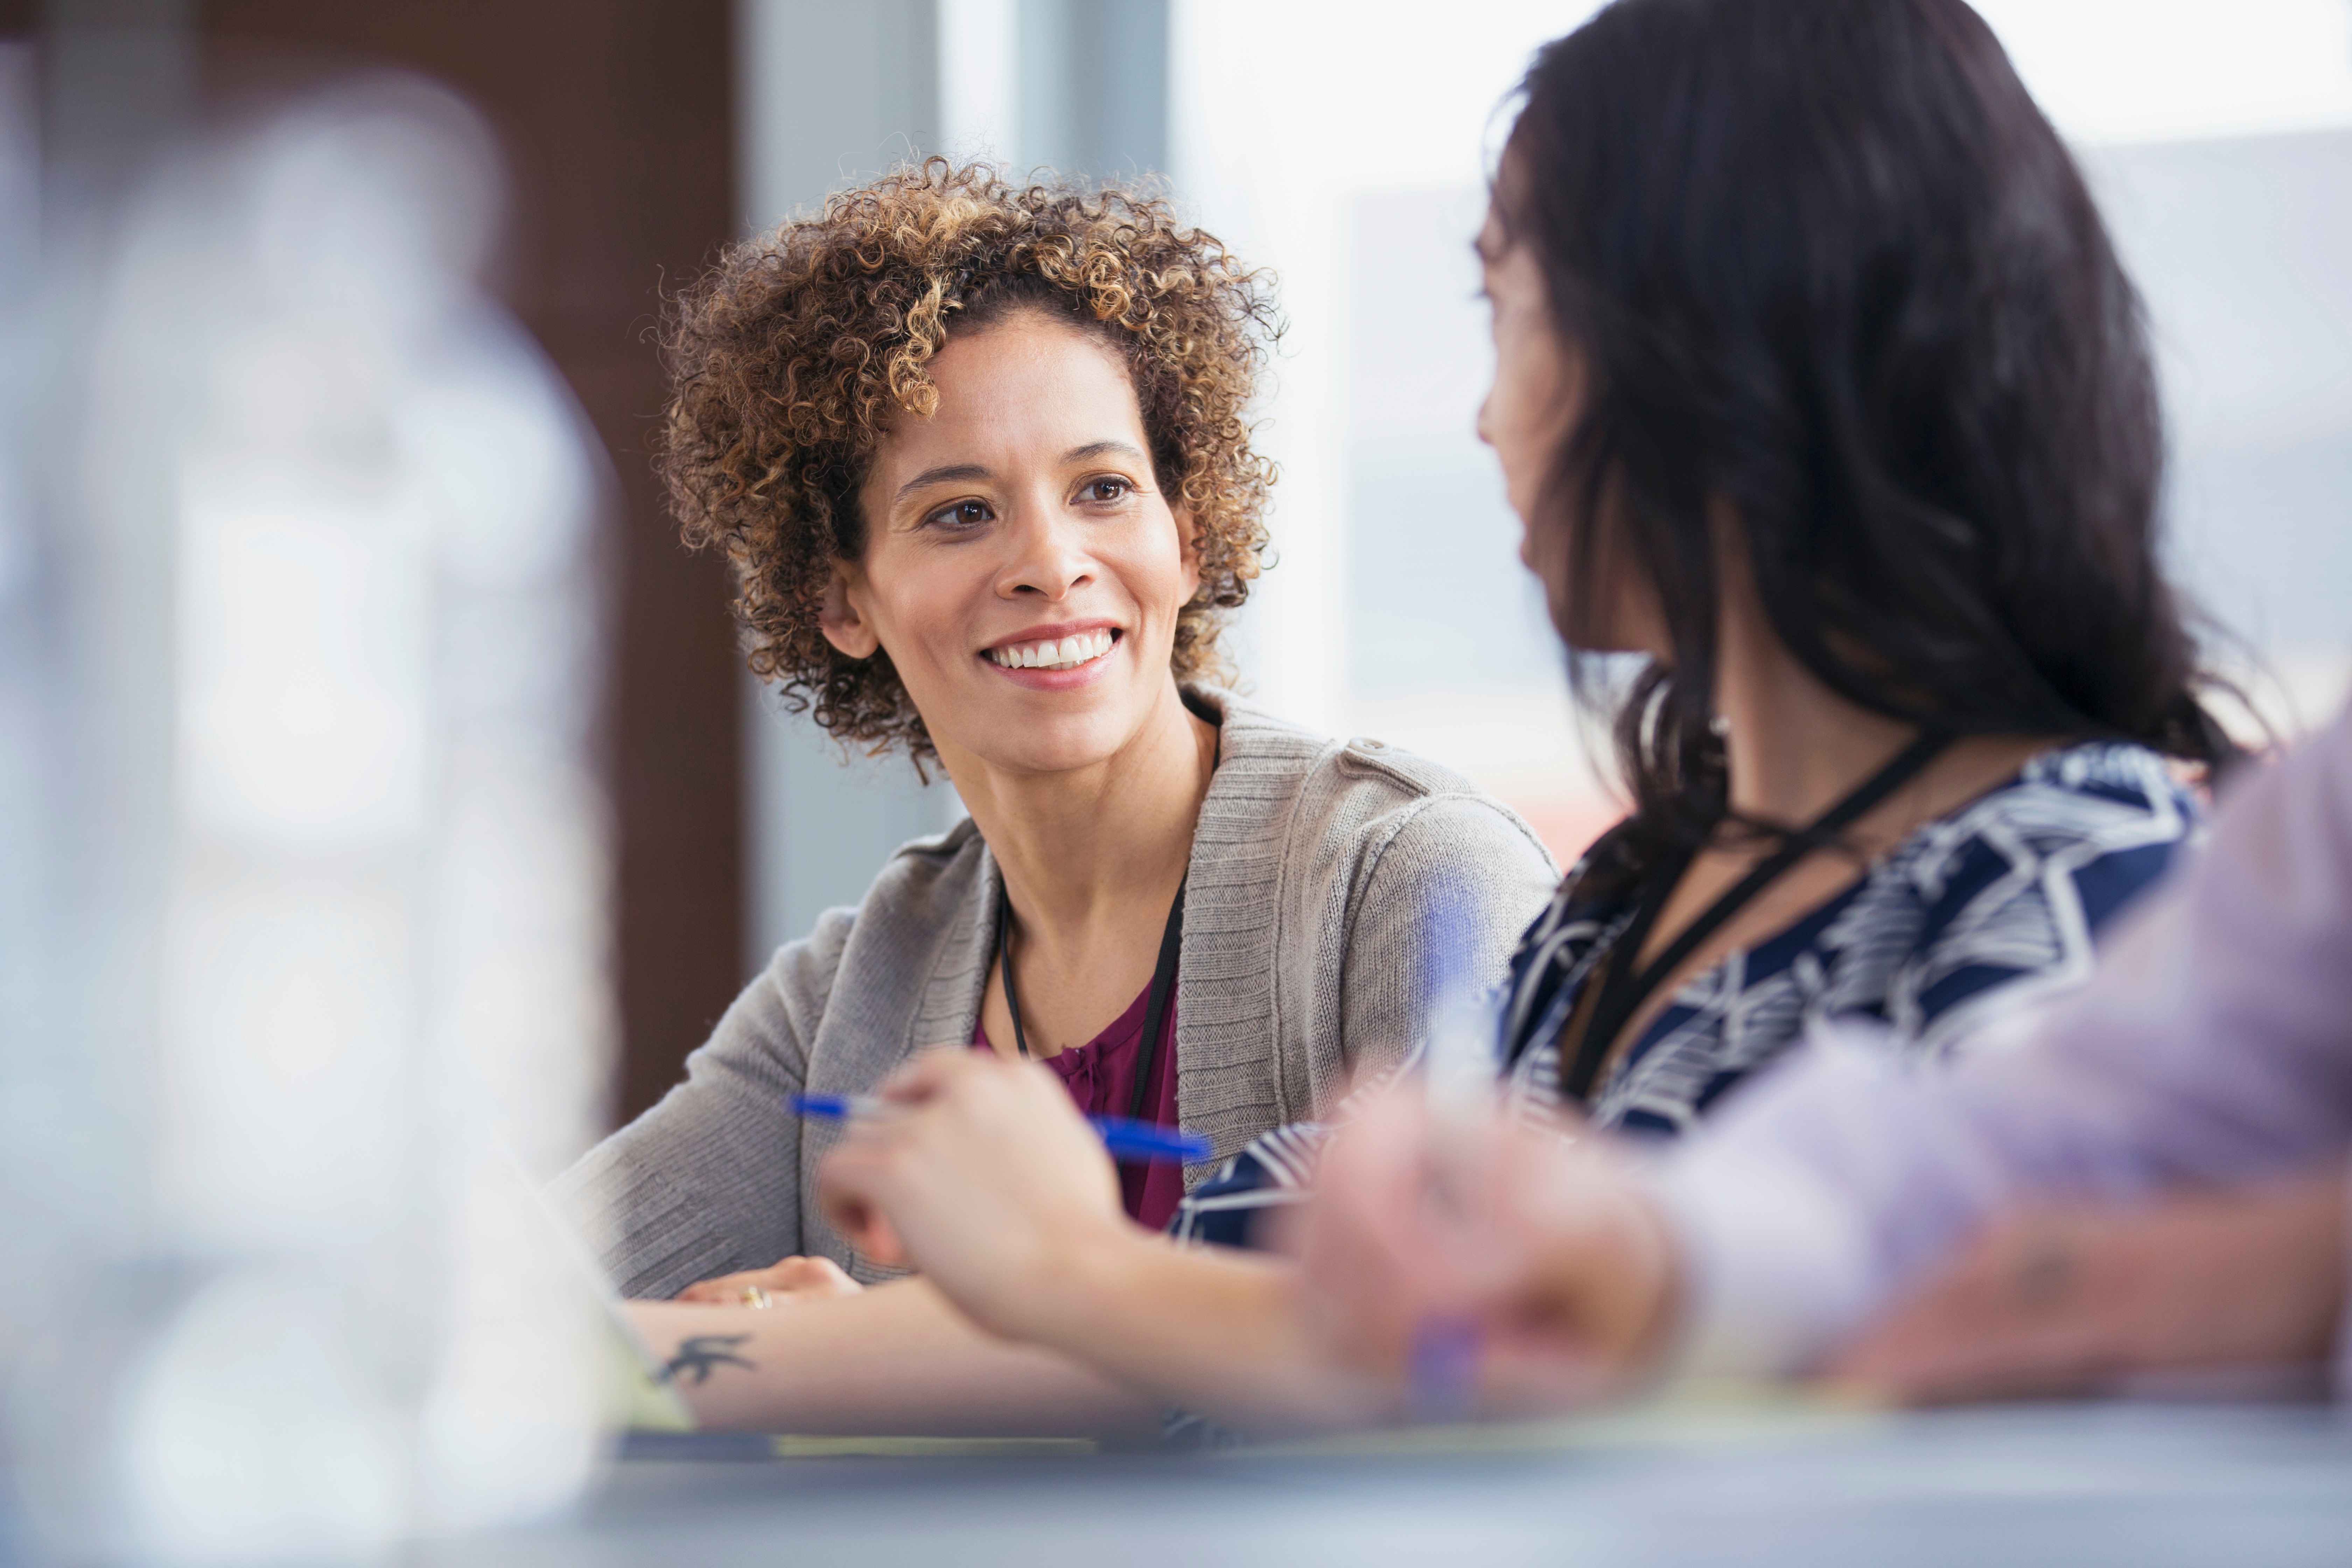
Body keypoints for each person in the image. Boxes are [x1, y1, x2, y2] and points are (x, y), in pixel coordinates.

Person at [796, 0, 2240, 1436]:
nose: (1490, 418)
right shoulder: (1620, 913)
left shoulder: (2081, 876)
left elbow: (1883, 1398)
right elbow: (1269, 1288)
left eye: (1511, 310)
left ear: (1716, 347)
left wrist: (1065, 1261)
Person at [551, 161, 1559, 1426]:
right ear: (843, 599)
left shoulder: (1414, 875)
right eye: (960, 512)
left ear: (1187, 535)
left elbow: (1446, 1342)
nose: (1049, 564)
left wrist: (830, 1362)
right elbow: (513, 1305)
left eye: (1102, 490)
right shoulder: (847, 1001)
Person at [1296, 693, 2352, 1410]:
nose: (1489, 422)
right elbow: (2031, 1153)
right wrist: (1647, 1250)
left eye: (1528, 352)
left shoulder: (2073, 842)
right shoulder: (1638, 869)